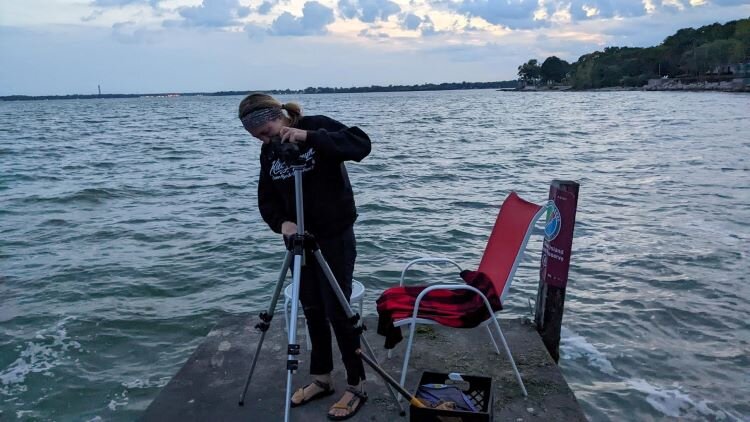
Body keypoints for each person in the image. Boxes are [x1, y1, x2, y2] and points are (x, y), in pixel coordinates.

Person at [238, 93, 371, 420]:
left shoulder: (316, 127)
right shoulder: (268, 152)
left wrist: (308, 137)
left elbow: (360, 145)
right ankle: (322, 378)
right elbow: (266, 200)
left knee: (338, 310)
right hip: (298, 241)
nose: (265, 140)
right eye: (258, 138)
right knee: (311, 309)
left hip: (333, 236)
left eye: (266, 132)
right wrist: (282, 223)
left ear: (279, 117)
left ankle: (357, 385)